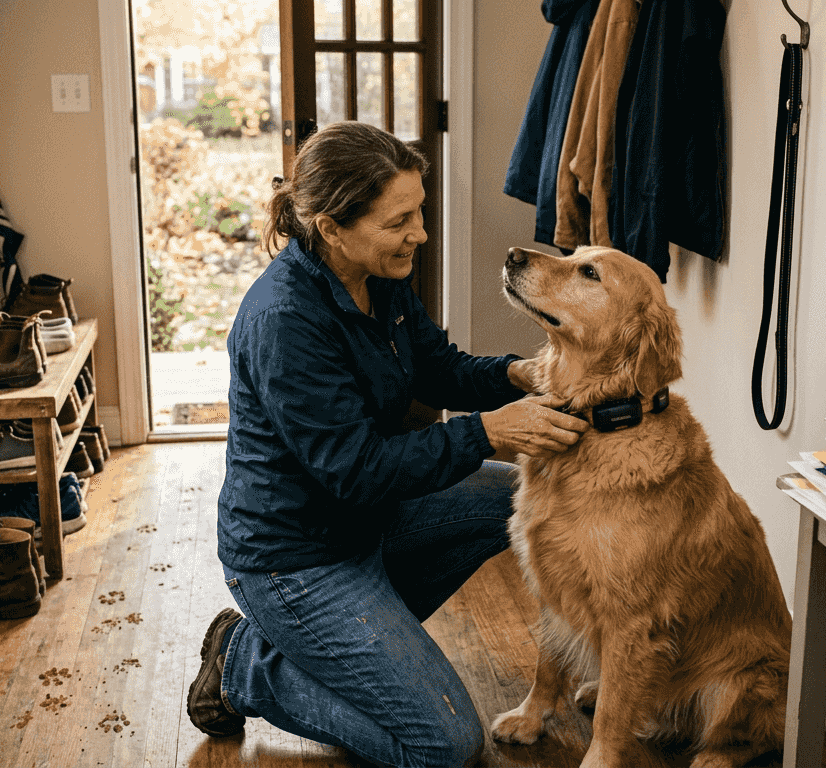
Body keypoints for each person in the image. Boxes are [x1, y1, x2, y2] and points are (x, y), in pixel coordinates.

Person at [185, 121, 588, 767]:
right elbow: (358, 470)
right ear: (331, 227)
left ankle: (361, 638)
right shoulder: (285, 319)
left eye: (419, 211)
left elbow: (436, 367)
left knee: (516, 500)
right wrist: (490, 430)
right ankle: (245, 665)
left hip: (365, 523)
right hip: (296, 560)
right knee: (446, 748)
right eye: (399, 220)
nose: (420, 234)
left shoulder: (379, 274)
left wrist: (515, 373)